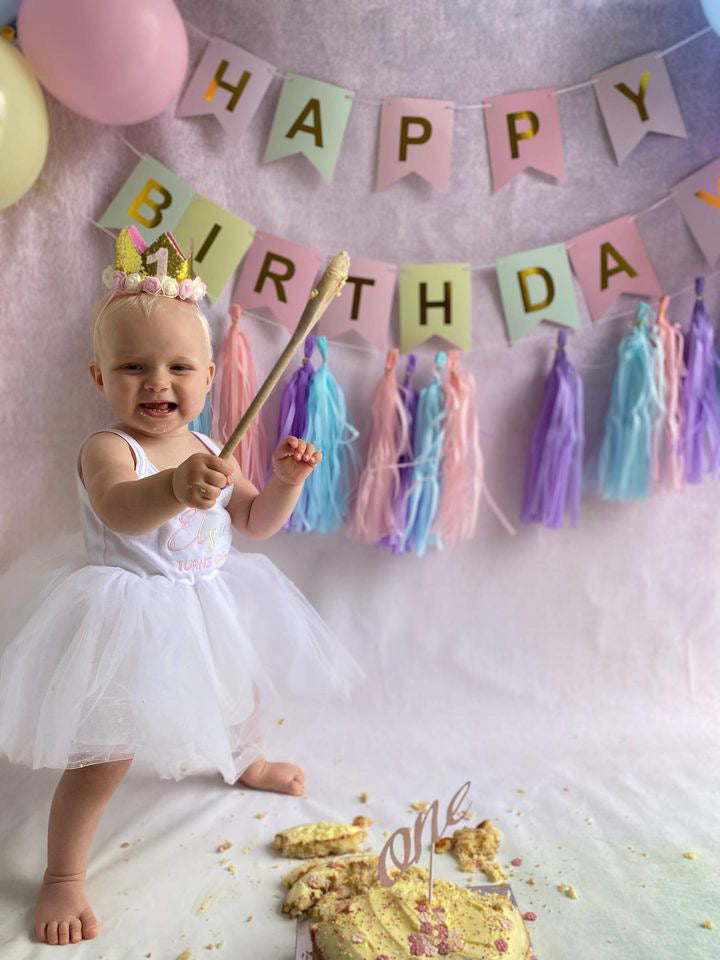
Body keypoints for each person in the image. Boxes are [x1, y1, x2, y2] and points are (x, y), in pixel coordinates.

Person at [0, 227, 365, 946]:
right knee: (105, 755)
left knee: (240, 688)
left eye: (178, 366)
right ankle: (64, 874)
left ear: (207, 375)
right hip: (129, 616)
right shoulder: (112, 448)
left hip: (210, 599)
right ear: (100, 378)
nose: (157, 382)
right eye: (133, 366)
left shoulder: (206, 446)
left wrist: (287, 482)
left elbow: (254, 522)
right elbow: (120, 509)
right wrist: (172, 487)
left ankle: (244, 758)